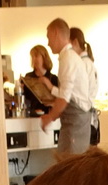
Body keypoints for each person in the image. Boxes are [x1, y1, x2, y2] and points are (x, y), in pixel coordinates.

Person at [40, 18, 93, 155]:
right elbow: (68, 94)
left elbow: (64, 98)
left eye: (49, 38)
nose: (48, 43)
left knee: (71, 167)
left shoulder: (68, 59)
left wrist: (50, 117)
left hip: (76, 123)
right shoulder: (69, 57)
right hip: (74, 121)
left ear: (56, 33)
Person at [70, 25, 100, 145]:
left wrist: (53, 90)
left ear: (75, 42)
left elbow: (79, 94)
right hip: (90, 118)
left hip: (84, 117)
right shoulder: (89, 63)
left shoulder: (82, 64)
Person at [21, 44, 59, 117]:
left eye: (36, 56)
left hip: (49, 115)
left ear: (44, 57)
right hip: (32, 115)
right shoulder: (28, 76)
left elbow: (60, 99)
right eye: (32, 57)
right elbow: (27, 99)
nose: (34, 59)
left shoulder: (53, 78)